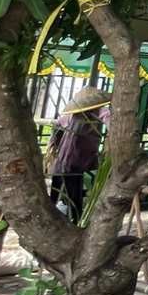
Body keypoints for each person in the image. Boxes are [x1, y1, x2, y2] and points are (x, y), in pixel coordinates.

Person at [47, 87, 109, 218]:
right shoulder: (101, 111)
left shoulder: (72, 114)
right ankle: (75, 219)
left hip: (65, 158)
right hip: (79, 158)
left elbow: (57, 124)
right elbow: (112, 125)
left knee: (58, 191)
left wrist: (53, 144)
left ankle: (56, 217)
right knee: (74, 193)